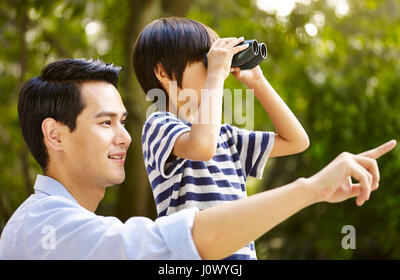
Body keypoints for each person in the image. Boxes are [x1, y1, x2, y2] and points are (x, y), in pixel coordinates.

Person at [0, 58, 396, 260]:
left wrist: (256, 81)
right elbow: (174, 242)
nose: (124, 137)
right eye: (106, 122)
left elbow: (295, 140)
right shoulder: (44, 227)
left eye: (123, 121)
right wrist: (312, 189)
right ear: (55, 134)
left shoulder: (68, 223)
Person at [133, 17, 310, 259]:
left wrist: (258, 82)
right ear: (164, 72)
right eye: (205, 60)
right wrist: (215, 73)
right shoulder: (159, 125)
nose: (216, 68)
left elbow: (297, 141)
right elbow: (202, 146)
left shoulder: (226, 136)